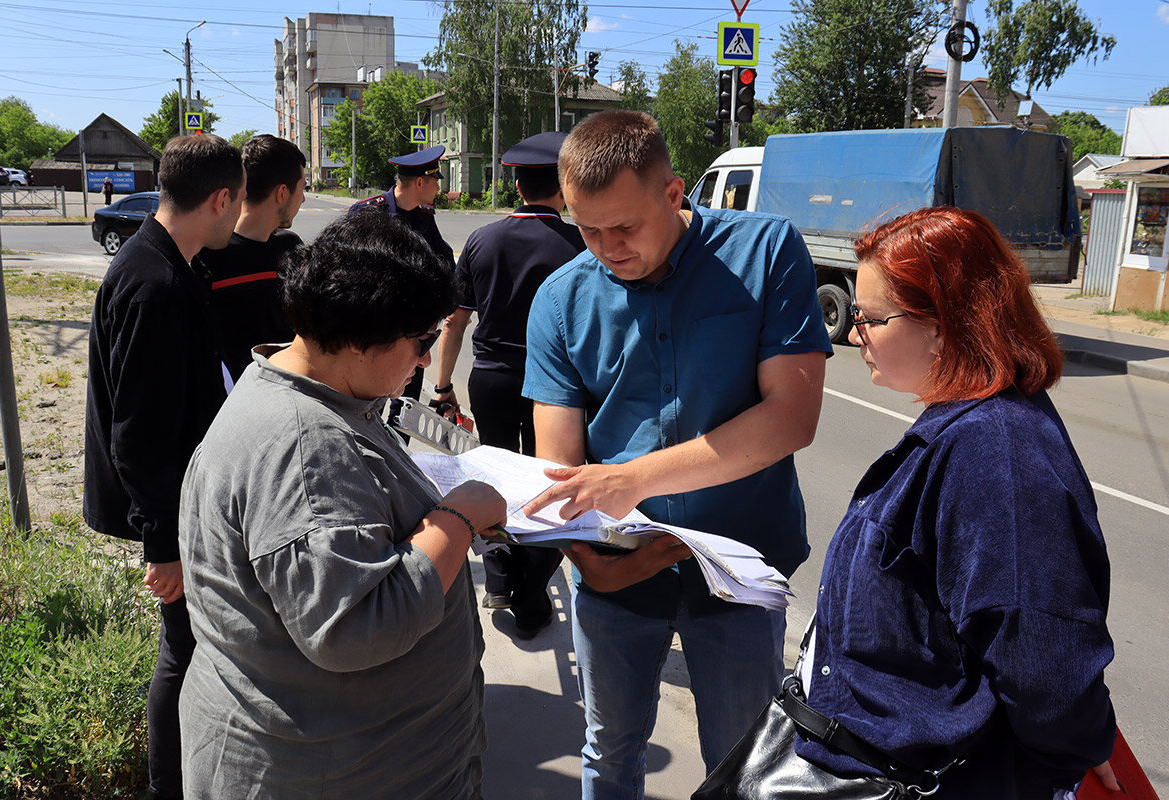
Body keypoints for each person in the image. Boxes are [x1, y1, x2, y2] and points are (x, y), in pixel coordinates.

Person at [521, 111, 831, 799]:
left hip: (739, 571)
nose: (605, 248)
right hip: (615, 578)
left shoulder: (765, 252)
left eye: (623, 227)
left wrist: (633, 479)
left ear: (674, 193)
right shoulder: (561, 299)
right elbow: (559, 468)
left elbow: (791, 417)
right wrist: (586, 561)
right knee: (609, 750)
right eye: (586, 228)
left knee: (742, 764)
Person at [792, 206, 1117, 798]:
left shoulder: (997, 451)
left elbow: (1044, 663)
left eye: (870, 318)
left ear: (943, 326)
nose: (854, 333)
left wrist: (1070, 756)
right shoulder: (967, 429)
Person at [177, 210, 505, 798]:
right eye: (421, 341)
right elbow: (354, 627)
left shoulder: (317, 389)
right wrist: (461, 516)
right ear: (358, 339)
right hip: (334, 773)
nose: (427, 360)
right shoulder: (306, 448)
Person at [83, 133, 244, 800]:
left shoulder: (169, 263)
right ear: (220, 198)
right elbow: (137, 436)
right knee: (182, 654)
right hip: (170, 512)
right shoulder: (153, 285)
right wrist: (165, 547)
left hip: (179, 500)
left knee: (189, 651)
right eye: (237, 204)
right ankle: (170, 788)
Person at [434, 131, 586, 638]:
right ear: (562, 187)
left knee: (497, 478)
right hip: (557, 391)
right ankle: (531, 592)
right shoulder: (579, 244)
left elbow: (455, 321)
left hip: (492, 380)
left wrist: (441, 385)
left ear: (517, 184)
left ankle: (498, 576)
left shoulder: (482, 240)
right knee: (549, 487)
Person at [349, 144, 454, 436]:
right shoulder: (368, 213)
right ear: (419, 182)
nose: (438, 188)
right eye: (435, 181)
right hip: (378, 333)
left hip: (414, 332)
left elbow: (443, 259)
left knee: (405, 407)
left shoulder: (424, 215)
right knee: (368, 408)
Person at [199, 134, 307, 387]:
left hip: (289, 398)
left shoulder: (290, 247)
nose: (302, 199)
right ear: (282, 193)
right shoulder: (208, 258)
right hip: (233, 407)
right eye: (302, 189)